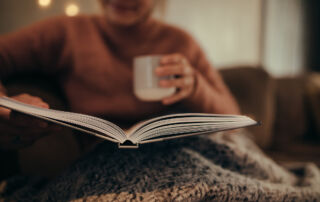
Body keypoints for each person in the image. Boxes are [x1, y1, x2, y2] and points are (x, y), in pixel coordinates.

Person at [0, 0, 239, 150]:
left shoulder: (180, 42)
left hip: (179, 150)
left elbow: (234, 122)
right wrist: (6, 105)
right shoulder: (68, 31)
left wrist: (195, 86)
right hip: (106, 157)